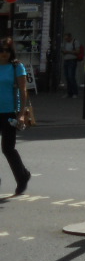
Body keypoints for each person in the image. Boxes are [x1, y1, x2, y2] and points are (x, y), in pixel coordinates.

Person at [0, 37, 32, 195]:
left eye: (7, 50)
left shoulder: (16, 67)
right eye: (1, 50)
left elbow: (23, 90)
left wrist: (21, 114)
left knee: (8, 148)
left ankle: (22, 177)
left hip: (9, 112)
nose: (4, 53)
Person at [62, 31, 81, 98]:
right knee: (67, 77)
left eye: (67, 38)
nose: (66, 40)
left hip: (72, 60)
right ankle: (69, 92)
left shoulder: (75, 42)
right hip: (66, 60)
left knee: (71, 76)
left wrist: (68, 52)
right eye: (65, 39)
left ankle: (75, 92)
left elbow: (77, 51)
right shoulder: (65, 43)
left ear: (70, 37)